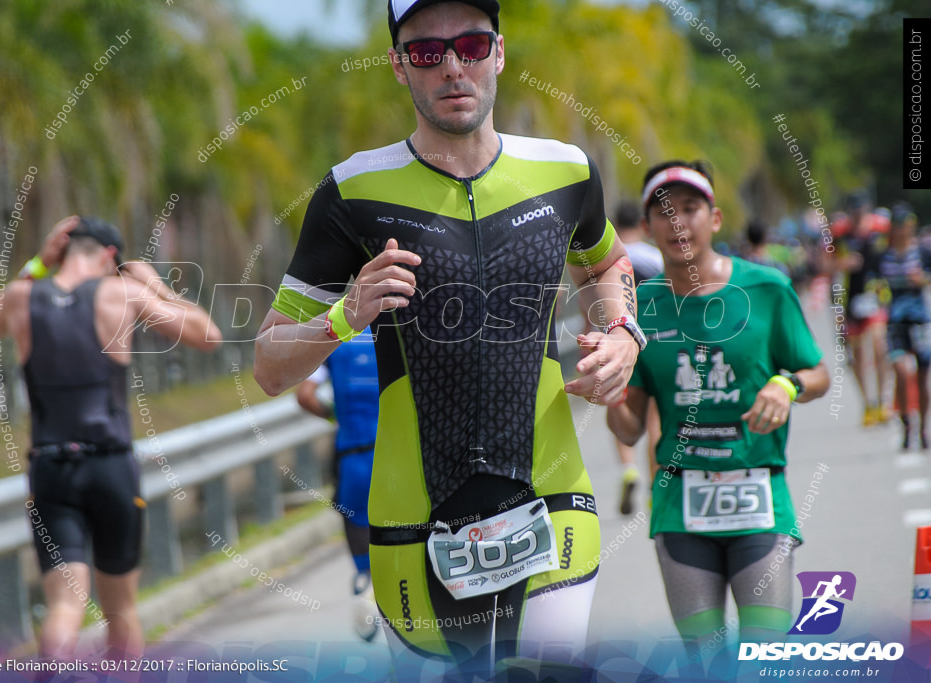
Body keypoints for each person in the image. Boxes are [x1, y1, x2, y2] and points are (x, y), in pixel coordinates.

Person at [254, 1, 643, 678]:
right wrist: (344, 316)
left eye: (470, 43)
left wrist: (623, 334)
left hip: (552, 502)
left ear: (498, 52)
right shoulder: (352, 191)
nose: (453, 65)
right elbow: (268, 364)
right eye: (429, 52)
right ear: (401, 68)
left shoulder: (566, 172)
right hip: (414, 525)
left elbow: (606, 263)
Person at [607, 161, 830, 655]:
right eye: (664, 213)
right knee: (705, 661)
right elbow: (627, 430)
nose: (678, 222)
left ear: (716, 218)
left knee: (765, 656)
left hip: (760, 501)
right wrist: (608, 391)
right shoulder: (640, 307)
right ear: (647, 228)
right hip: (680, 507)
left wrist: (786, 384)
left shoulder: (766, 289)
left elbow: (819, 374)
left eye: (691, 209)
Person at [0, 215, 221, 659]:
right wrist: (156, 287)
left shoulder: (19, 297)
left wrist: (35, 264)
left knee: (66, 604)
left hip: (50, 467)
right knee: (121, 610)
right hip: (111, 466)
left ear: (63, 251)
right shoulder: (122, 292)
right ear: (111, 257)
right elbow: (209, 336)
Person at [295, 328, 380, 641]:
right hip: (395, 456)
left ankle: (365, 587)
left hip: (352, 458)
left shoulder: (335, 338)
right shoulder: (400, 333)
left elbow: (304, 395)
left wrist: (337, 417)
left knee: (364, 550)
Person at [612, 200, 662, 514]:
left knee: (617, 401)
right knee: (655, 415)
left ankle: (628, 468)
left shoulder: (610, 257)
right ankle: (657, 487)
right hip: (655, 337)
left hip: (617, 340)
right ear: (643, 224)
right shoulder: (654, 256)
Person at [870, 203, 931, 450]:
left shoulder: (923, 252)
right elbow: (872, 282)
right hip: (894, 319)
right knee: (901, 370)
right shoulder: (883, 255)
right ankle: (906, 423)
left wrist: (923, 279)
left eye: (906, 226)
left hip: (919, 318)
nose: (902, 231)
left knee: (922, 376)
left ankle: (922, 428)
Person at [831, 192, 891, 426]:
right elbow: (826, 263)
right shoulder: (840, 233)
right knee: (857, 355)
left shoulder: (881, 227)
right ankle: (868, 404)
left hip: (875, 295)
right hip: (850, 299)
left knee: (879, 345)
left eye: (861, 211)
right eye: (854, 212)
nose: (857, 216)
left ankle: (884, 401)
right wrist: (843, 263)